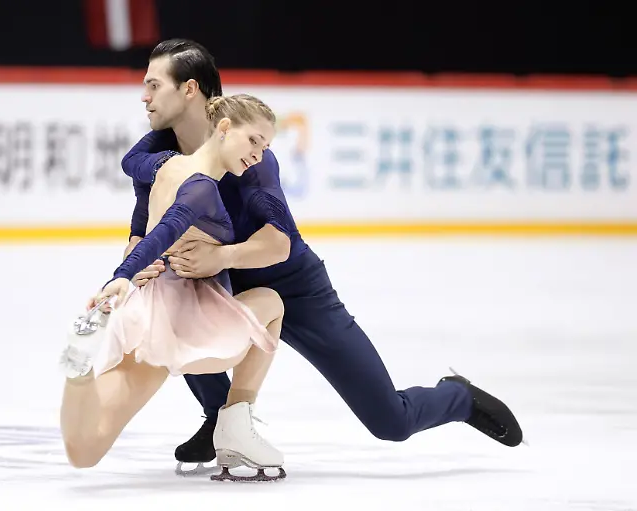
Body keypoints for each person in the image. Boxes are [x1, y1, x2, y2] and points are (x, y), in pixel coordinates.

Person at [121, 39, 525, 473]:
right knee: (176, 307)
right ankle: (220, 418)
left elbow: (280, 242)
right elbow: (141, 227)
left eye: (154, 85)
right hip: (225, 290)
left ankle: (458, 396)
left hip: (295, 288)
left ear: (189, 90)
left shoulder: (252, 157)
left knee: (391, 421)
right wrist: (141, 263)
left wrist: (220, 257)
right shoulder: (155, 159)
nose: (144, 96)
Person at [59, 93, 287, 482]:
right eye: (254, 140)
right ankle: (236, 425)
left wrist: (125, 274)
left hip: (146, 314)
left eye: (265, 147)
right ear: (224, 127)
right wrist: (123, 274)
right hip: (184, 318)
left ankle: (77, 372)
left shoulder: (167, 166)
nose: (259, 155)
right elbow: (168, 229)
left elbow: (145, 200)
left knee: (84, 451)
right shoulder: (203, 188)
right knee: (272, 303)